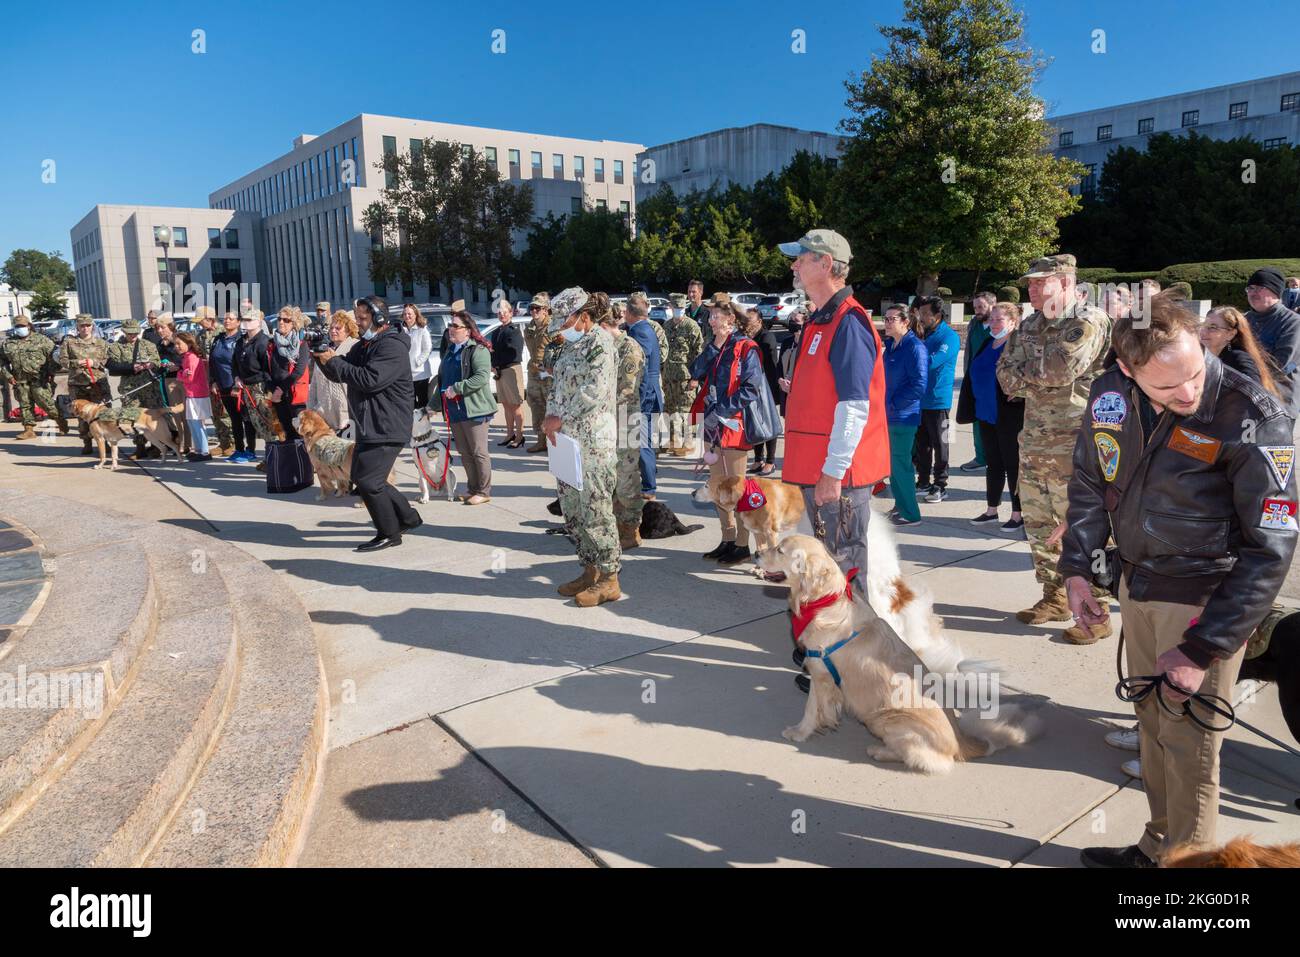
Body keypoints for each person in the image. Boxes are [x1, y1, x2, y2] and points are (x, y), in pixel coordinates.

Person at [1060, 296, 1298, 868]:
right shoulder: (1110, 397)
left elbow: (1272, 548)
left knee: (1190, 745)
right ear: (1127, 368)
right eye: (1166, 388)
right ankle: (1158, 849)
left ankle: (1192, 882)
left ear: (1200, 342)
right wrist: (1077, 568)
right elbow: (1092, 481)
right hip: (1137, 586)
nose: (1187, 394)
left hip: (1201, 602)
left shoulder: (1257, 417)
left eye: (1194, 373)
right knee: (1153, 730)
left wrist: (1203, 646)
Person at [996, 254, 1113, 643]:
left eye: (1040, 281)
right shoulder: (1030, 323)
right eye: (1030, 282)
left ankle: (1095, 612)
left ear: (1065, 281)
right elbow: (1004, 374)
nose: (1031, 288)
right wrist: (1034, 378)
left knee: (1080, 528)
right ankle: (1054, 597)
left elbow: (1062, 370)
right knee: (1040, 526)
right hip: (1034, 442)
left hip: (1075, 445)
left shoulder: (1087, 320)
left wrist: (1028, 377)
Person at [778, 229, 890, 576]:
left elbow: (854, 406)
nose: (794, 265)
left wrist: (833, 471)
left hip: (835, 474)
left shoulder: (848, 322)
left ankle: (853, 631)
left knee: (843, 566)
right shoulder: (822, 318)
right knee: (827, 563)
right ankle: (833, 628)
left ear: (826, 264)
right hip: (817, 468)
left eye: (801, 258)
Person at [313, 296, 422, 552]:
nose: (358, 323)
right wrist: (321, 356)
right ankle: (408, 518)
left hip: (387, 424)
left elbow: (370, 379)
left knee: (369, 482)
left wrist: (334, 360)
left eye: (363, 318)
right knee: (369, 479)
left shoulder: (392, 347)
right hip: (369, 424)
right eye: (357, 318)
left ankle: (390, 532)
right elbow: (341, 371)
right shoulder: (365, 345)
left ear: (379, 319)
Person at [542, 287, 621, 607]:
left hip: (593, 442)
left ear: (584, 318)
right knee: (573, 509)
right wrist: (550, 415)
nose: (561, 329)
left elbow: (594, 392)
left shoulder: (600, 345)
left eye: (565, 322)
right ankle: (589, 569)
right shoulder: (569, 348)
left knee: (596, 509)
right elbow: (557, 386)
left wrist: (560, 418)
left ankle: (609, 578)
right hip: (566, 441)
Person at [691, 295, 770, 566]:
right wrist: (714, 346)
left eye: (715, 316)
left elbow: (751, 388)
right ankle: (727, 538)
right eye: (710, 316)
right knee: (716, 487)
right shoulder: (715, 346)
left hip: (734, 425)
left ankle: (741, 545)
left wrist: (722, 410)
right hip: (713, 425)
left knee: (737, 489)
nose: (711, 320)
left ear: (731, 319)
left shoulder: (747, 347)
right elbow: (696, 370)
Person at [958, 302, 1024, 532]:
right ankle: (991, 510)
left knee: (1013, 464)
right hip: (985, 414)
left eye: (1000, 319)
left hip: (1009, 416)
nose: (994, 324)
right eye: (992, 319)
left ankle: (1018, 513)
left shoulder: (1017, 346)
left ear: (1013, 322)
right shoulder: (987, 342)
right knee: (993, 464)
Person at [598, 304, 646, 548]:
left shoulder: (629, 348)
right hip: (608, 420)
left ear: (606, 326)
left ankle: (631, 529)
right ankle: (617, 523)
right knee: (612, 475)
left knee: (627, 477)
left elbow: (626, 391)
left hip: (626, 419)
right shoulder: (606, 347)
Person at [437, 308, 496, 504]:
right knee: (464, 452)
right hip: (455, 411)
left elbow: (480, 378)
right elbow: (443, 382)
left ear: (468, 331)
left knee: (479, 452)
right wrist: (432, 406)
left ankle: (484, 492)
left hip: (475, 409)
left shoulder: (478, 350)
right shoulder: (449, 351)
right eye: (450, 326)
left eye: (455, 326)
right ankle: (473, 488)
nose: (451, 329)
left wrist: (458, 388)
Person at [881, 305, 927, 526]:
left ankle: (911, 513)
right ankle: (900, 505)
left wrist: (892, 404)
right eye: (886, 318)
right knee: (892, 465)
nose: (887, 323)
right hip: (888, 415)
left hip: (903, 417)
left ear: (905, 322)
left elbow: (919, 385)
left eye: (892, 319)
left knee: (901, 464)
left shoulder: (914, 347)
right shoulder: (891, 346)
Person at [912, 296, 959, 502]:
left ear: (937, 316)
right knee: (922, 444)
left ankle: (941, 484)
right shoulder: (924, 334)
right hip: (921, 400)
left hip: (940, 400)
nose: (921, 318)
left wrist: (911, 363)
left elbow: (932, 362)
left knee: (942, 444)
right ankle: (923, 480)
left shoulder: (949, 337)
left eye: (925, 314)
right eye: (920, 314)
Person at [1243, 266, 1300, 419]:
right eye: (1250, 288)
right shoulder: (1244, 320)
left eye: (1260, 287)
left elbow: (1280, 365)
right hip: (1246, 401)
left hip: (1280, 404)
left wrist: (1239, 377)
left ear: (1276, 292)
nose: (1253, 292)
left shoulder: (1293, 322)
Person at [106, 317, 164, 459]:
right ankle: (140, 447)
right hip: (130, 389)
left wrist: (150, 365)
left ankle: (157, 446)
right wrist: (132, 368)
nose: (133, 336)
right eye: (130, 333)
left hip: (150, 388)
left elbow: (157, 361)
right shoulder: (116, 347)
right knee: (133, 419)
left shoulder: (147, 345)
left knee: (153, 417)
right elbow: (112, 367)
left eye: (135, 333)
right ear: (124, 331)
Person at [623, 293, 663, 498]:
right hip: (647, 393)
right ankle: (648, 481)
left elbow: (643, 370)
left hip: (646, 395)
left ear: (630, 312)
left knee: (642, 441)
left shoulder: (642, 332)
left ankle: (648, 487)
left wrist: (639, 398)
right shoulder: (640, 329)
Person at [59, 314, 110, 454]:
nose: (85, 328)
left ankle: (105, 441)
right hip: (78, 384)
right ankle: (87, 442)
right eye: (82, 326)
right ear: (77, 327)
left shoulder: (101, 343)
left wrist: (95, 363)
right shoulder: (69, 342)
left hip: (97, 383)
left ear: (92, 326)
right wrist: (77, 363)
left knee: (103, 413)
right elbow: (62, 361)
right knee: (81, 415)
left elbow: (108, 360)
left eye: (88, 325)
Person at [958, 291, 997, 472]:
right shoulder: (974, 324)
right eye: (975, 307)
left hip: (996, 384)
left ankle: (998, 459)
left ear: (992, 305)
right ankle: (980, 457)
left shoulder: (1000, 326)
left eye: (981, 307)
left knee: (997, 422)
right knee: (976, 420)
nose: (977, 311)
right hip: (975, 381)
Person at [1200, 306, 1277, 393]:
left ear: (1231, 334)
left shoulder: (1238, 359)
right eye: (1204, 325)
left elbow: (1255, 394)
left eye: (1213, 327)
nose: (1203, 331)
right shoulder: (1205, 357)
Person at [663, 292, 704, 456]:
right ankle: (675, 441)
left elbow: (699, 353)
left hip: (686, 377)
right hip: (669, 377)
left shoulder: (692, 326)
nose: (678, 310)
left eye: (681, 307)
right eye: (675, 307)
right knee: (671, 410)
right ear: (671, 307)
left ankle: (688, 443)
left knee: (686, 411)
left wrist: (696, 377)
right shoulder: (666, 326)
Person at [209, 311, 254, 461]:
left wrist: (239, 381)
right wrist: (214, 381)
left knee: (246, 418)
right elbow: (212, 362)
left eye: (230, 318)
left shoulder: (242, 339)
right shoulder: (218, 338)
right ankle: (239, 449)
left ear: (238, 322)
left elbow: (244, 362)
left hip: (238, 385)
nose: (227, 321)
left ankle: (251, 450)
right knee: (234, 419)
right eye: (225, 318)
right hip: (222, 385)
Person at [232, 311, 274, 466]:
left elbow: (268, 369)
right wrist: (236, 377)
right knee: (255, 423)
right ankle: (269, 457)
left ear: (258, 321)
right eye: (244, 319)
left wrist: (266, 390)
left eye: (250, 319)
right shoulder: (241, 341)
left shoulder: (264, 341)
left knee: (266, 422)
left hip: (260, 387)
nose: (246, 322)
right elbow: (235, 362)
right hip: (245, 387)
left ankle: (272, 456)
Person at [745, 311, 783, 476]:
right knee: (756, 422)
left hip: (767, 387)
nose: (747, 322)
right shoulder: (749, 336)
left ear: (759, 321)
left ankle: (770, 461)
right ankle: (758, 459)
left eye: (750, 319)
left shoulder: (767, 337)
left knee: (769, 424)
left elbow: (766, 362)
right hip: (754, 387)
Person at [307, 311, 358, 433]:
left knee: (348, 450)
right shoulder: (324, 349)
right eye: (331, 328)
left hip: (346, 413)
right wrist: (311, 407)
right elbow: (314, 382)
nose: (333, 331)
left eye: (338, 328)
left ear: (348, 330)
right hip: (324, 413)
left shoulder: (355, 347)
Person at [195, 306, 234, 456]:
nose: (199, 325)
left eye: (201, 321)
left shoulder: (223, 333)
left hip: (222, 377)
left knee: (225, 412)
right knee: (215, 412)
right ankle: (223, 442)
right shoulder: (201, 335)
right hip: (207, 378)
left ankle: (233, 442)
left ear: (210, 319)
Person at [487, 300, 526, 448]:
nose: (502, 314)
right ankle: (510, 434)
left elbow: (513, 352)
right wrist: (493, 365)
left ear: (511, 313)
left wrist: (496, 361)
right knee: (505, 404)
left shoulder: (513, 330)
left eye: (505, 312)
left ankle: (520, 436)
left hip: (510, 369)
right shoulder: (497, 331)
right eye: (499, 312)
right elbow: (493, 351)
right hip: (499, 371)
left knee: (515, 405)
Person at [268, 307, 310, 442]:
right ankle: (291, 461)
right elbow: (267, 369)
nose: (281, 322)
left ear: (294, 323)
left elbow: (299, 370)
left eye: (286, 320)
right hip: (278, 395)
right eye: (279, 319)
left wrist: (281, 389)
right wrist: (274, 390)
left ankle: (304, 462)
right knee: (287, 430)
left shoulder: (301, 344)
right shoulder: (272, 344)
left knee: (301, 432)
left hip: (295, 393)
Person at [522, 292, 556, 453]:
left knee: (552, 407)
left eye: (537, 308)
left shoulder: (554, 327)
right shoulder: (530, 327)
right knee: (536, 406)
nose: (534, 311)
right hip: (534, 372)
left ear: (546, 310)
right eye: (531, 308)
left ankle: (554, 442)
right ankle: (540, 440)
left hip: (549, 373)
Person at [173, 331, 213, 462]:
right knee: (192, 422)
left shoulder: (191, 357)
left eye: (179, 343)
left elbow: (189, 378)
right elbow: (186, 374)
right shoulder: (187, 357)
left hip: (197, 394)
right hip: (193, 394)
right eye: (175, 344)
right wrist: (182, 372)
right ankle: (199, 450)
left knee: (197, 423)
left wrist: (180, 374)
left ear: (188, 343)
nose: (176, 346)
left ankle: (205, 451)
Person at [398, 303, 433, 411]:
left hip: (420, 373)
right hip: (406, 373)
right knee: (409, 402)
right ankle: (411, 426)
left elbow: (427, 349)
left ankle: (424, 426)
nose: (407, 316)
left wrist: (417, 362)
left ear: (416, 314)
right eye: (404, 314)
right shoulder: (400, 330)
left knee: (422, 403)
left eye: (409, 314)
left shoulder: (422, 329)